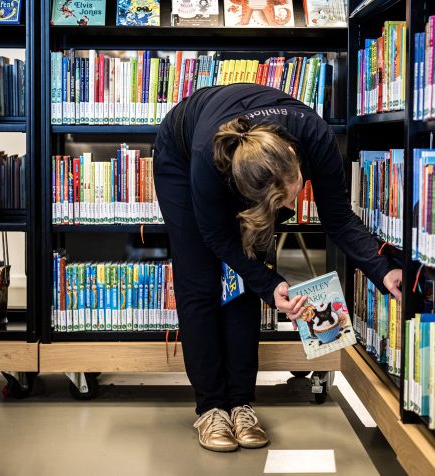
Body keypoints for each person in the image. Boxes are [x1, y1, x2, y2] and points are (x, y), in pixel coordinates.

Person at [153, 83, 403, 452]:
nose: (291, 202)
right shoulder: (210, 157)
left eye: (293, 191)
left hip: (245, 154)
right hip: (181, 155)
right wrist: (269, 283)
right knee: (201, 282)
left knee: (242, 278)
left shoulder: (315, 136)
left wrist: (383, 270)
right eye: (281, 201)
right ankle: (211, 409)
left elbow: (338, 218)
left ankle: (241, 404)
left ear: (294, 157)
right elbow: (215, 236)